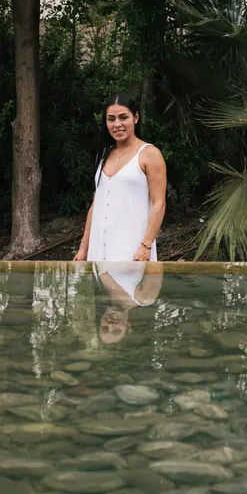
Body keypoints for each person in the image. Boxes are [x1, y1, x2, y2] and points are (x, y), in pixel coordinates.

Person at [73, 92, 167, 262]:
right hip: (98, 251)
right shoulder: (104, 155)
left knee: (133, 288)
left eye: (123, 117)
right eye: (111, 119)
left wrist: (146, 245)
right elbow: (96, 205)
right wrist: (83, 248)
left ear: (135, 118)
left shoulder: (149, 154)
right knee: (102, 289)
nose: (117, 124)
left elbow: (159, 204)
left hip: (133, 250)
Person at [93, 261, 163, 344]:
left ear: (100, 321)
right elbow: (155, 262)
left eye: (105, 328)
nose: (111, 325)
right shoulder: (145, 297)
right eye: (116, 331)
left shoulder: (99, 287)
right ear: (128, 327)